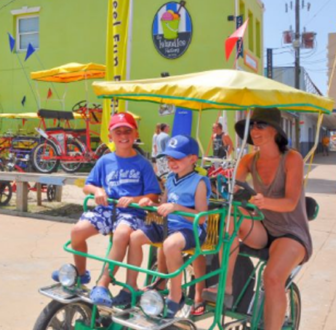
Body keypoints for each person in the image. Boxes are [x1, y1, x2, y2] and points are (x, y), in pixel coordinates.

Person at [202, 108, 312, 330]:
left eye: (260, 125)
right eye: (252, 125)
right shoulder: (248, 160)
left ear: (275, 131)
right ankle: (227, 286)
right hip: (262, 226)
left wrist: (260, 201)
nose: (254, 130)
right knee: (228, 214)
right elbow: (231, 192)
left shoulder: (292, 158)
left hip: (291, 232)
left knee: (272, 278)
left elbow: (290, 202)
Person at [52, 112, 162, 307]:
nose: (123, 135)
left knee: (121, 234)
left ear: (135, 133)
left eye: (127, 130)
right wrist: (98, 190)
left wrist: (134, 199)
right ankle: (81, 273)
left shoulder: (143, 164)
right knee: (77, 231)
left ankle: (102, 283)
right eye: (117, 131)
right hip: (106, 210)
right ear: (110, 136)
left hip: (131, 213)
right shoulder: (105, 161)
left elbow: (153, 194)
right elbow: (88, 185)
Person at [116, 135, 211, 317]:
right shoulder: (170, 179)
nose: (172, 162)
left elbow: (200, 217)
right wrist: (148, 203)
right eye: (169, 159)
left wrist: (176, 207)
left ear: (192, 159)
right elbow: (162, 206)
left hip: (189, 229)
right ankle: (131, 287)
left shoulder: (199, 182)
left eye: (177, 158)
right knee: (135, 237)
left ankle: (176, 295)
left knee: (170, 244)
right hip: (168, 225)